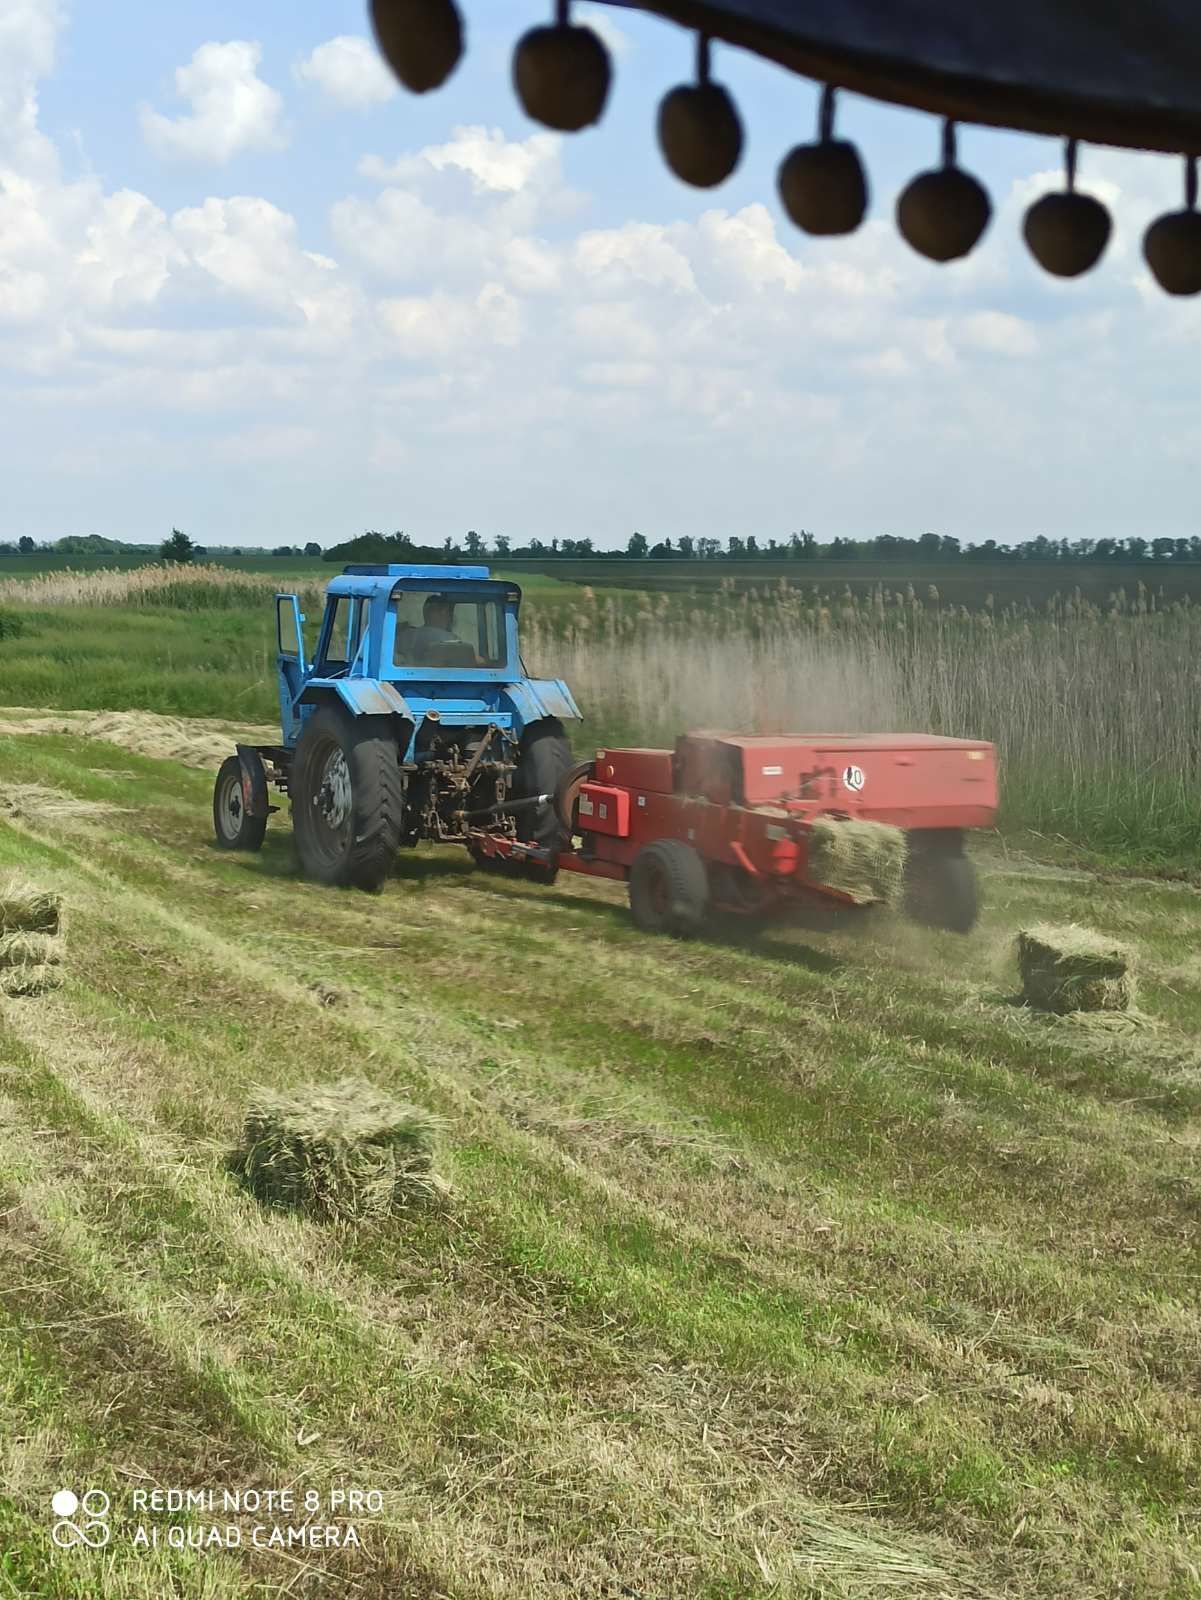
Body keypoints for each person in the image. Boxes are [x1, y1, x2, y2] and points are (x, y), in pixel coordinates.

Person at [406, 595, 479, 667]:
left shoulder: (408, 635)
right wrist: (487, 662)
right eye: (449, 612)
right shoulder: (449, 638)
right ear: (444, 612)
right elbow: (472, 660)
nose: (450, 617)